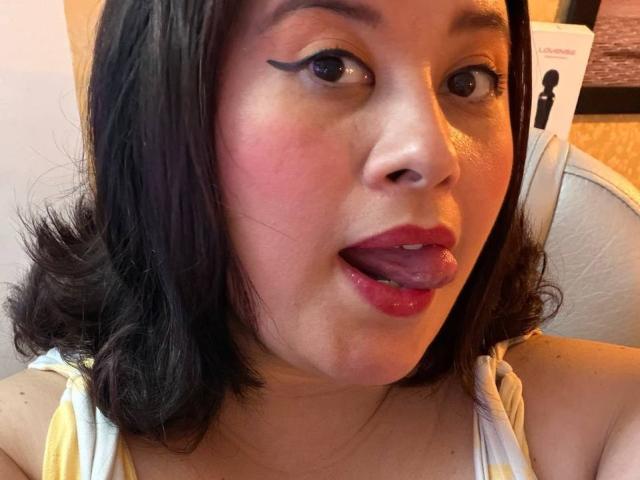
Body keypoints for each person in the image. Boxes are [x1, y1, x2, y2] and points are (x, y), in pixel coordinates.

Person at [1, 0, 639, 478]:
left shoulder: (610, 428)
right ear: (162, 108)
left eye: (469, 80)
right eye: (330, 65)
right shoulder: (27, 454)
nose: (432, 152)